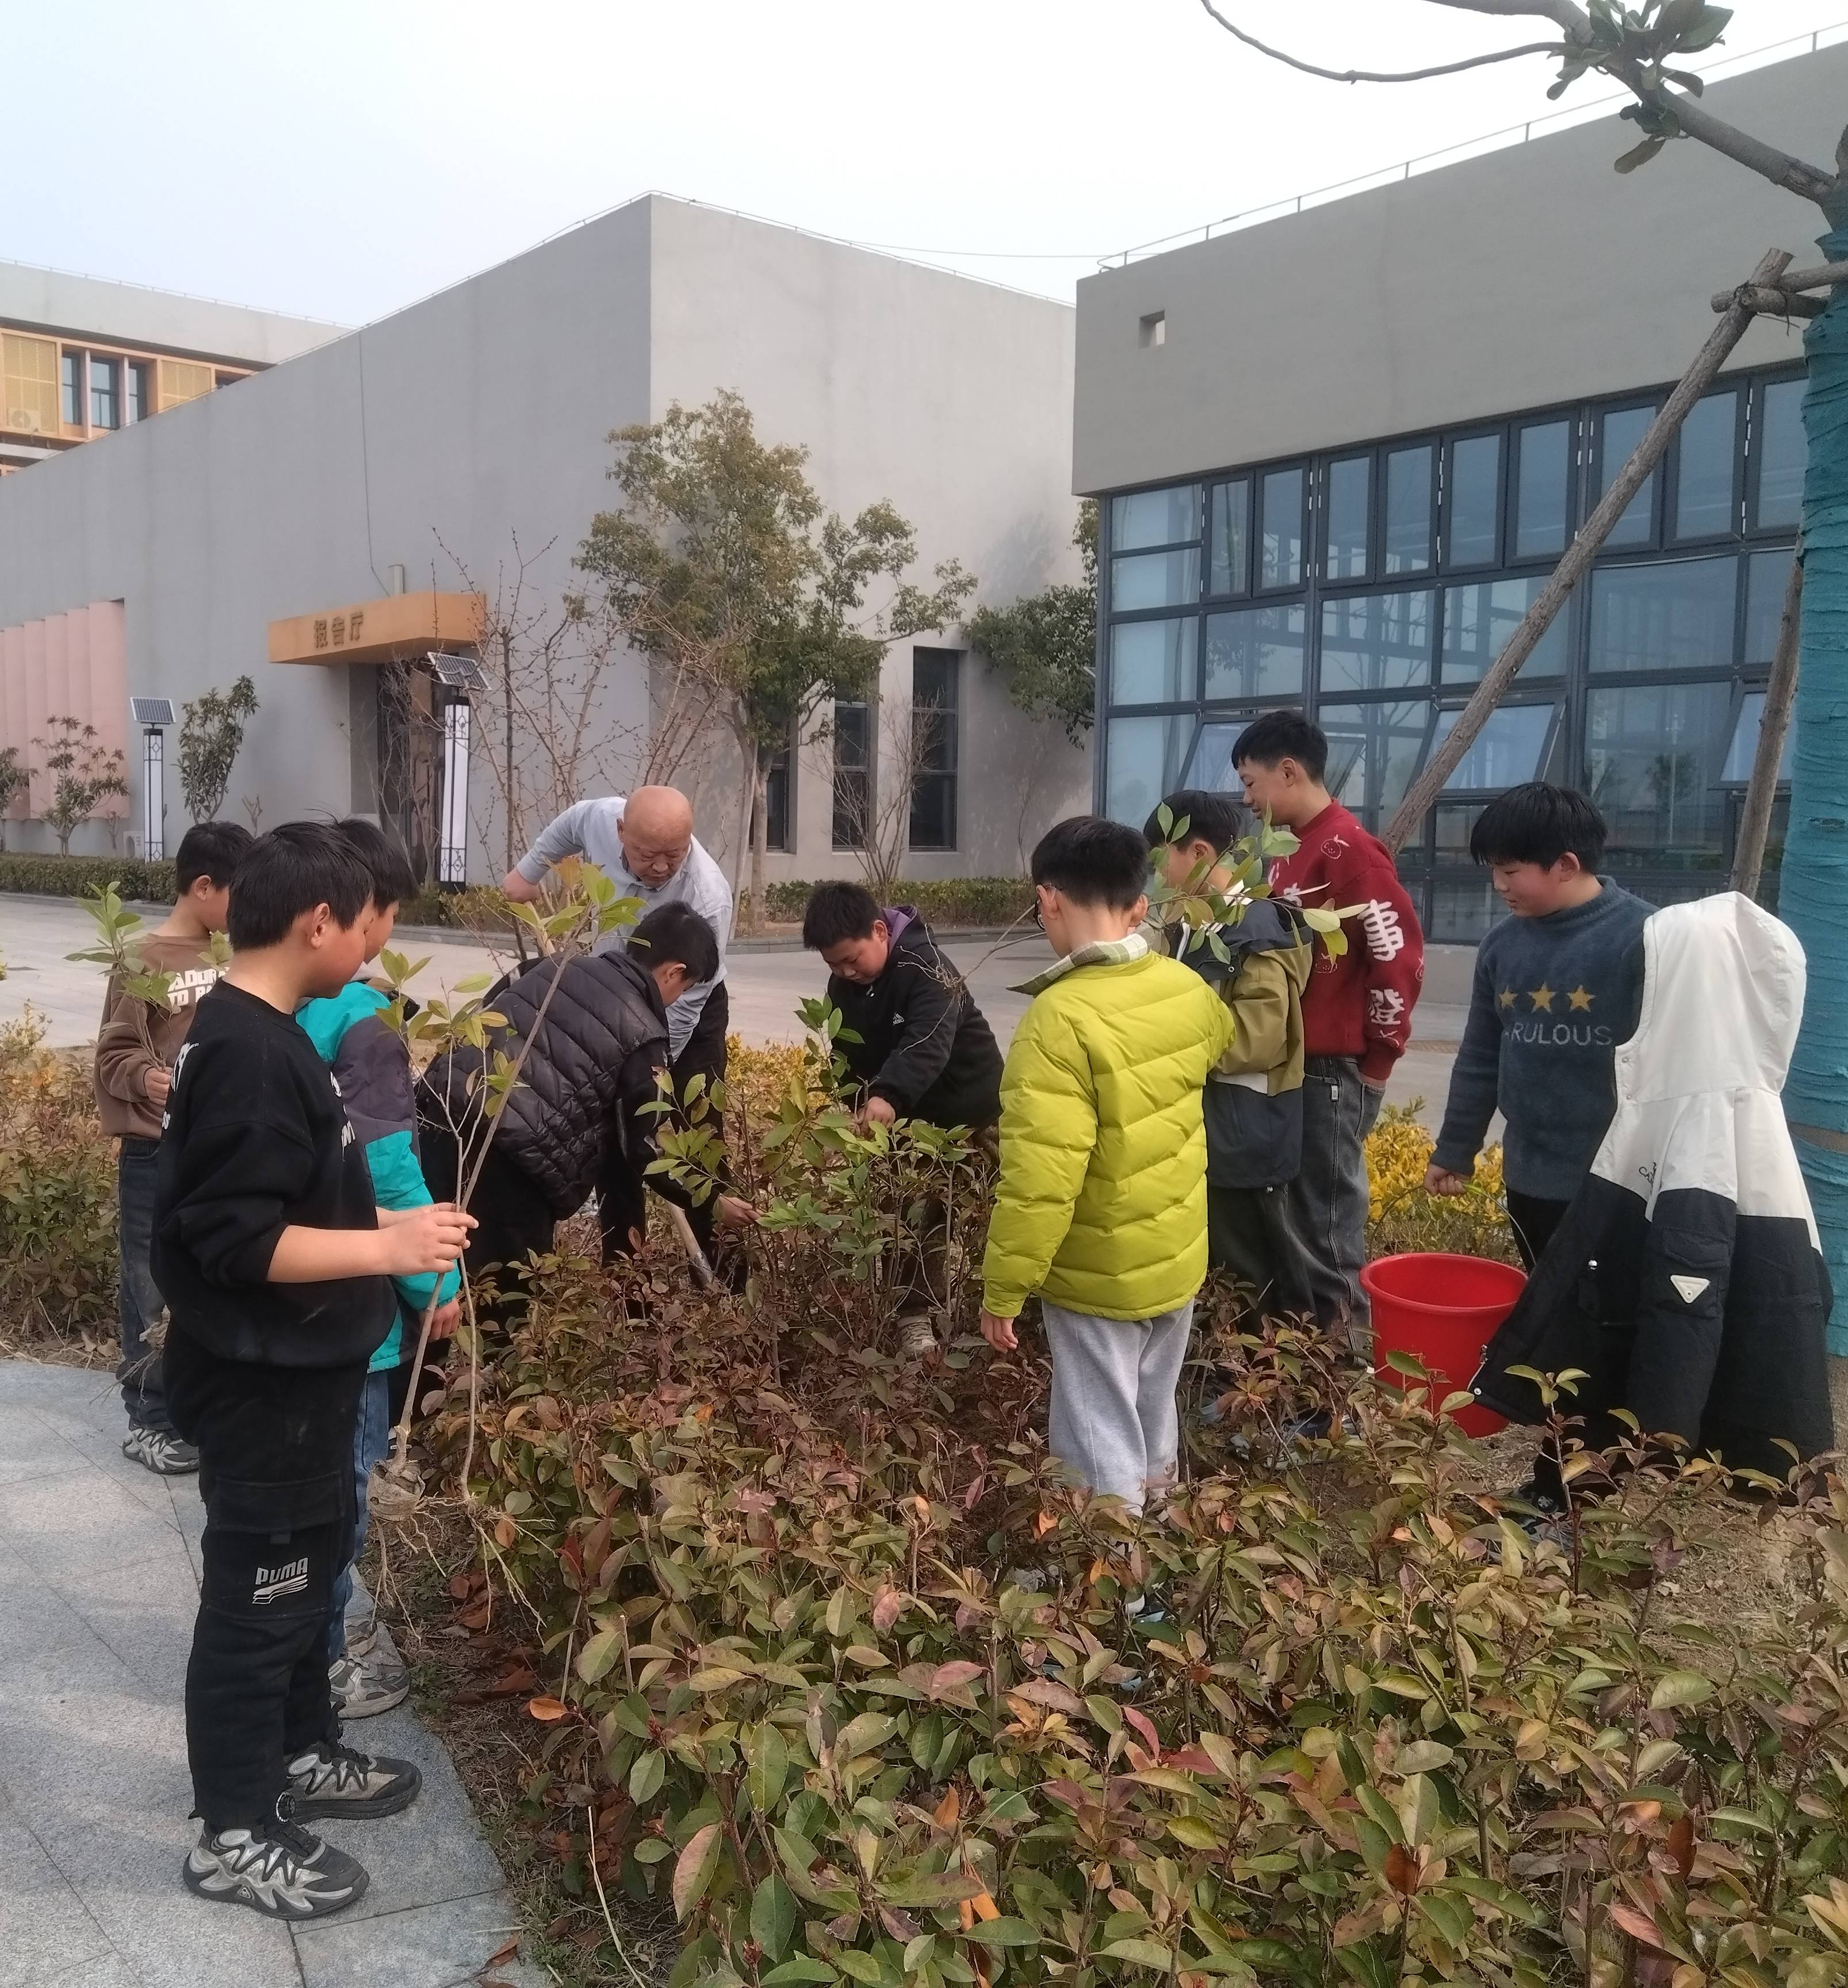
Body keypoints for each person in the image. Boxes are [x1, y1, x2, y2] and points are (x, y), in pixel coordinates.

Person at [155, 822, 473, 1920]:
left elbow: (290, 1202)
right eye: (366, 925)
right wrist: (391, 1248)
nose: (376, 948)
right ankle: (233, 1831)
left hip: (304, 1379)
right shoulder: (248, 1052)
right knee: (257, 1609)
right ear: (319, 921)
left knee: (303, 1590)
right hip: (264, 1392)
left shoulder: (270, 1031)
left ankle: (298, 1751)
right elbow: (236, 1240)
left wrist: (390, 1226)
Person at [1473, 893, 1833, 1485]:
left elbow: (1677, 1326)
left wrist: (1666, 1426)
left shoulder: (1698, 1122)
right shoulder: (1750, 1126)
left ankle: (1578, 1488)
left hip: (1656, 1201)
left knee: (1613, 1333)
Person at [978, 817, 1233, 1513]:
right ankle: (1160, 1532)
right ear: (1140, 906)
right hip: (1175, 1254)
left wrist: (1005, 1289)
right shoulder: (1185, 988)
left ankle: (1112, 1568)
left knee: (1097, 1431)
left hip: (1097, 1270)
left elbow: (1040, 1181)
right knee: (1152, 1406)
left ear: (1048, 900)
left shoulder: (1058, 1020)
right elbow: (1220, 1041)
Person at [296, 819, 462, 1723]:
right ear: (375, 913)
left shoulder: (278, 1006)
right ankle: (324, 1671)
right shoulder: (365, 1026)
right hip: (355, 1305)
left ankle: (307, 1651)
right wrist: (438, 1284)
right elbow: (390, 1168)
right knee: (342, 1493)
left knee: (306, 1491)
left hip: (291, 1298)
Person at [418, 901, 747, 1299]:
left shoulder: (548, 967)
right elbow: (644, 1151)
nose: (678, 999)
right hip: (516, 1168)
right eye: (686, 988)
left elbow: (474, 1026)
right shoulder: (645, 1036)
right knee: (505, 1299)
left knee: (428, 1271)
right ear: (673, 972)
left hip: (441, 1119)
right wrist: (712, 1203)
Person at [1233, 710, 1425, 1352]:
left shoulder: (1349, 851)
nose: (1247, 799)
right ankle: (1304, 1367)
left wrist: (1377, 1062)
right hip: (1294, 1066)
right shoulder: (1285, 852)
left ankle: (1345, 1375)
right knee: (1292, 1220)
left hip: (1333, 1069)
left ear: (1288, 771)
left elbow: (1396, 961)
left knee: (1327, 1226)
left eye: (1251, 783)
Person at [1426, 785, 1653, 1271]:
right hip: (1529, 1176)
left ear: (1565, 865)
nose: (1498, 885)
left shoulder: (1645, 939)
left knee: (1606, 1305)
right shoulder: (1500, 947)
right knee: (1542, 1295)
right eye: (1493, 870)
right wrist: (1455, 1149)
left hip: (1619, 1180)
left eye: (1510, 872)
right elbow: (1480, 1058)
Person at [506, 786, 734, 1265]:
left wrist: (645, 1070)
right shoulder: (600, 819)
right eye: (647, 854)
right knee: (614, 1137)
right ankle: (627, 1278)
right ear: (621, 832)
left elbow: (684, 1004)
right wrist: (529, 871)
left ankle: (724, 1273)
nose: (661, 867)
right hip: (611, 998)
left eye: (674, 854)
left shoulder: (708, 897)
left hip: (685, 1009)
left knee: (697, 1134)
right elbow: (571, 822)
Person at [94, 819, 252, 1475]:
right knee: (149, 1284)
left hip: (214, 1148)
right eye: (239, 893)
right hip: (155, 1152)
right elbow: (113, 1053)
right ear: (204, 886)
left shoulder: (234, 957)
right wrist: (147, 1078)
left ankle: (195, 1410)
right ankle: (148, 1420)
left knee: (207, 1278)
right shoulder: (143, 959)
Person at [801, 880, 1005, 1354]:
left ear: (879, 931)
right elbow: (846, 1055)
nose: (845, 972)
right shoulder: (843, 987)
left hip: (973, 1112)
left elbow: (927, 1041)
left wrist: (887, 1094)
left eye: (852, 959)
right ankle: (914, 1318)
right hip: (907, 1125)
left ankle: (1007, 1306)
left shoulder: (926, 967)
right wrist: (856, 1103)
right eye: (833, 964)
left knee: (1003, 1211)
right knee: (910, 1221)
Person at [1143, 790, 1314, 1319]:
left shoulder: (1254, 927)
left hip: (1245, 1132)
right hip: (1212, 1129)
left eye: (1161, 859)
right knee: (1218, 1266)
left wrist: (1172, 1048)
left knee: (1251, 1272)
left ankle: (1275, 1365)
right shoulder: (1190, 924)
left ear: (1197, 853)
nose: (1157, 875)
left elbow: (1258, 1037)